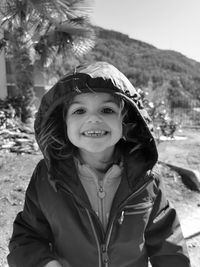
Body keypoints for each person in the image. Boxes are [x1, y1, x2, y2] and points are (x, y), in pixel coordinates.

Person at [7, 61, 191, 267]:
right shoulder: (46, 175)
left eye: (107, 110)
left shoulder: (147, 179)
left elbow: (169, 246)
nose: (93, 118)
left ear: (125, 118)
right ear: (64, 122)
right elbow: (26, 237)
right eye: (79, 111)